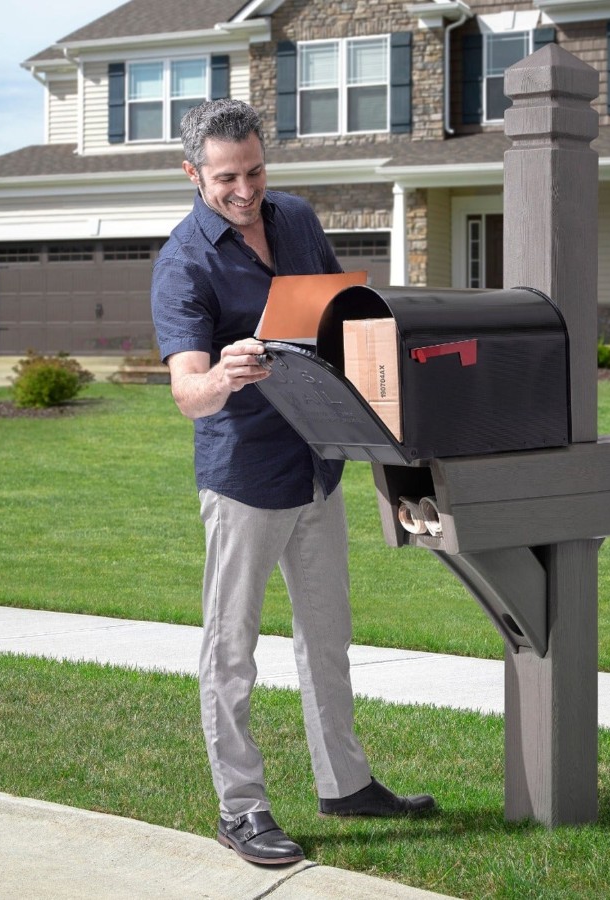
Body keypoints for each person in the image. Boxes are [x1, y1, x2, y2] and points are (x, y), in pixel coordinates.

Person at [151, 98, 435, 867]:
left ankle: (345, 782)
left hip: (318, 463)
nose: (244, 191)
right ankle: (240, 809)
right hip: (244, 478)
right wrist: (225, 374)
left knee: (327, 638)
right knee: (232, 651)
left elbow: (338, 323)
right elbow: (187, 394)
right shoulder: (184, 262)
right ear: (192, 174)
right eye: (225, 179)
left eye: (254, 171)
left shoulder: (297, 219)